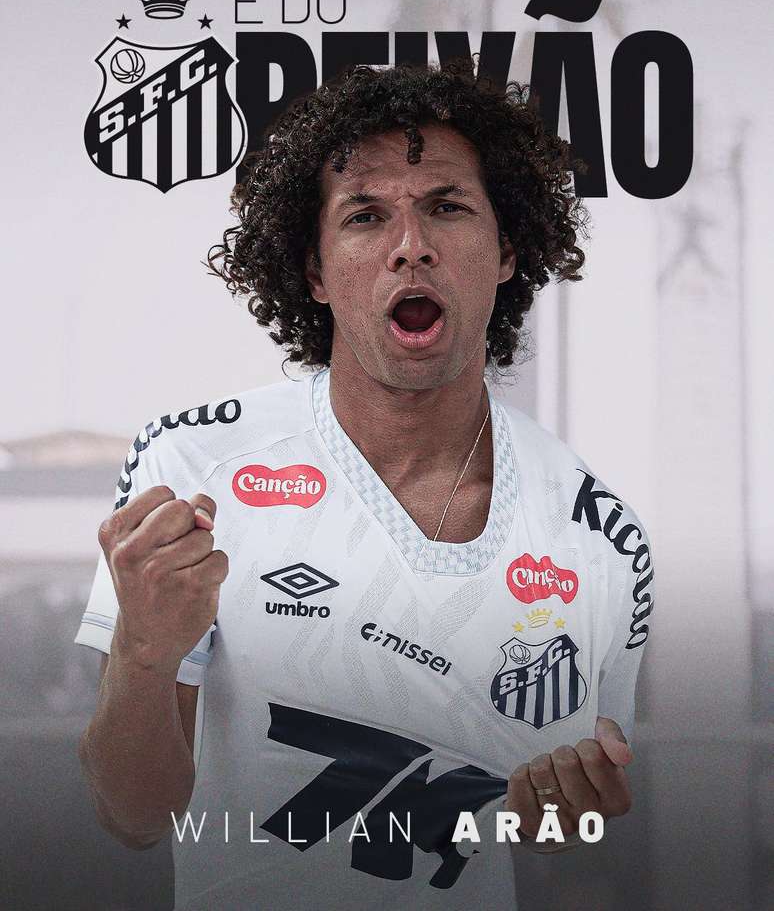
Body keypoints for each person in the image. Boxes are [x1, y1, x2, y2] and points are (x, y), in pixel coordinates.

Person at [74, 61, 654, 910]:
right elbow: (133, 817)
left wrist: (566, 814)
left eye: (447, 207)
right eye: (365, 215)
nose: (410, 244)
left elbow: (573, 833)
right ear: (313, 271)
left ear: (507, 252)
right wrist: (143, 652)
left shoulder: (600, 538)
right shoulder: (196, 467)